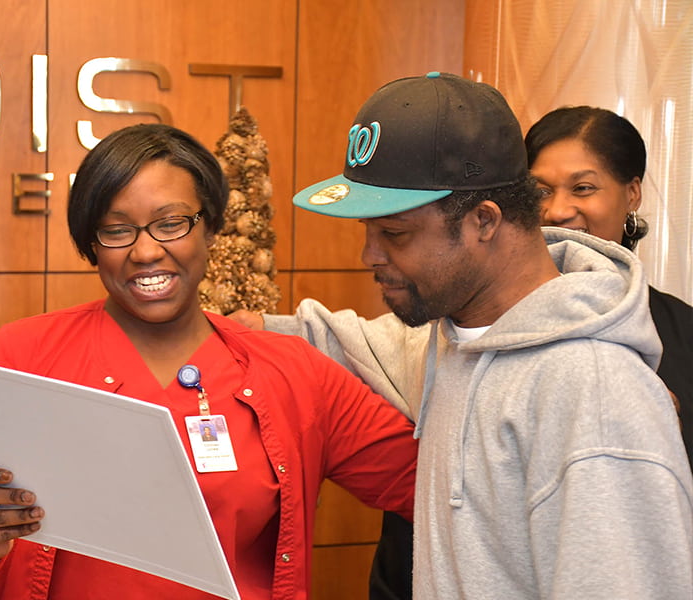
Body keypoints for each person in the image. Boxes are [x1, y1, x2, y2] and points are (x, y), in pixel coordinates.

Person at [0, 123, 419, 600]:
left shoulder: (293, 372)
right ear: (92, 244)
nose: (146, 252)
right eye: (116, 229)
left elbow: (432, 486)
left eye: (171, 223)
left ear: (210, 227)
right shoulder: (23, 355)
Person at [231, 72, 693, 598]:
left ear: (484, 221)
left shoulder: (596, 396)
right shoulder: (452, 339)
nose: (370, 256)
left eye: (395, 233)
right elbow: (336, 339)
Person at [525, 105, 693, 467]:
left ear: (632, 194)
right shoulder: (491, 320)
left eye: (582, 188)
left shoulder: (684, 332)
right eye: (540, 192)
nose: (556, 211)